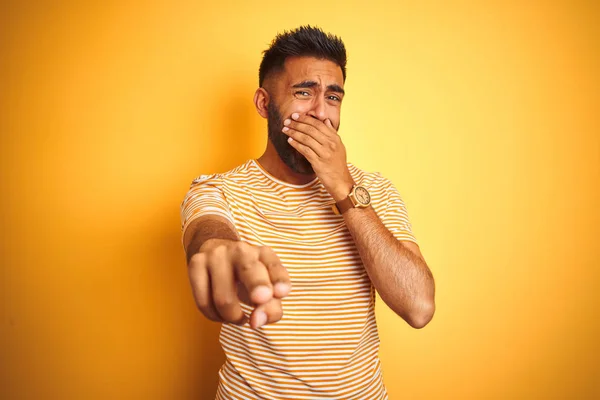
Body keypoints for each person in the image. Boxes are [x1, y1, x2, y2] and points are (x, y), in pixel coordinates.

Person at [180, 25, 435, 400]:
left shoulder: (372, 191)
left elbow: (419, 307)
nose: (321, 113)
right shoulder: (218, 190)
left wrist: (344, 190)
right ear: (265, 104)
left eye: (333, 97)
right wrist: (219, 250)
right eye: (304, 93)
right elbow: (208, 233)